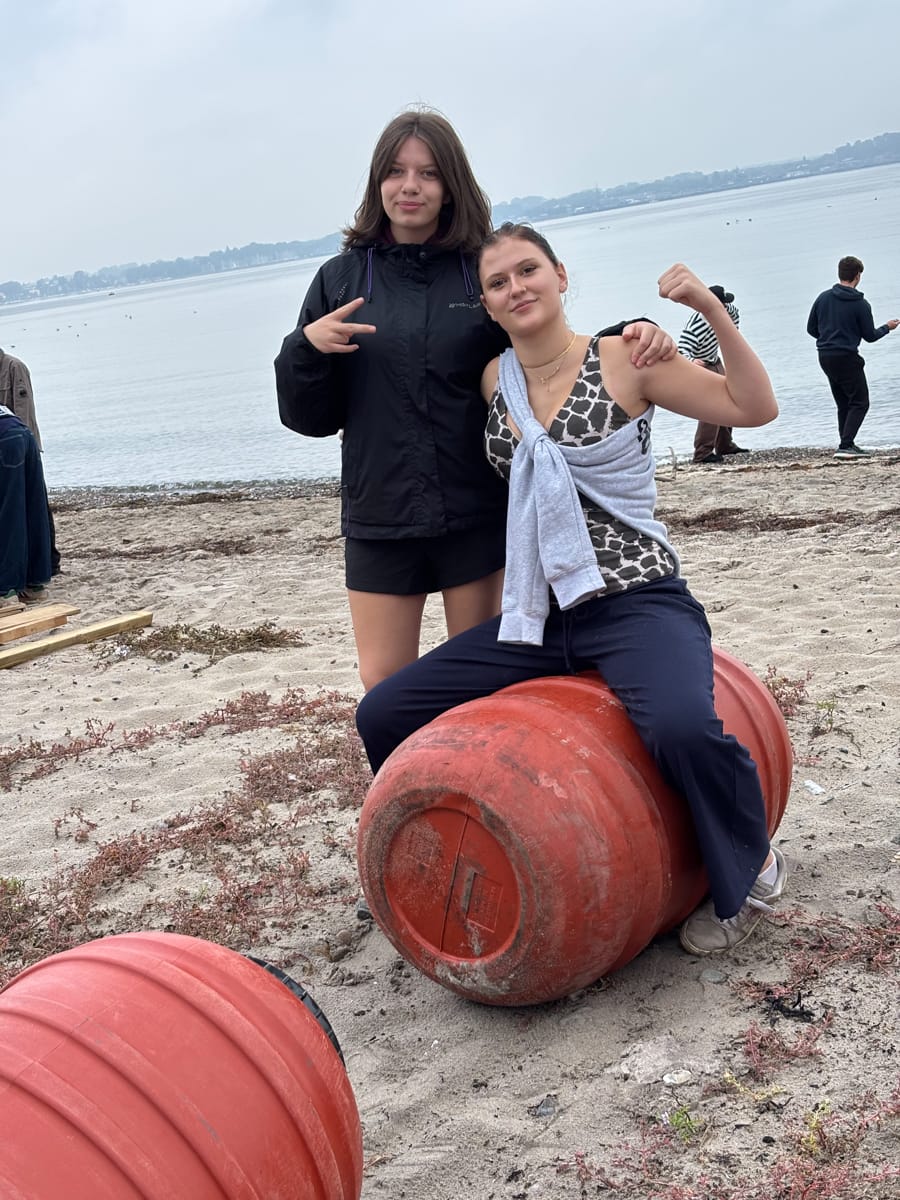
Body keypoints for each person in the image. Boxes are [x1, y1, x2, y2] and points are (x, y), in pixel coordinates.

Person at [356, 222, 785, 957]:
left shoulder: (627, 358)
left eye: (528, 270)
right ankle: (434, 849)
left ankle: (754, 868)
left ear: (559, 275)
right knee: (386, 710)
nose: (516, 288)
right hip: (541, 613)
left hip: (636, 598)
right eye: (497, 282)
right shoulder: (493, 381)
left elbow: (754, 408)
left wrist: (707, 310)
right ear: (486, 304)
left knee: (682, 727)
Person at [275, 109, 674, 691]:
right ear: (377, 182)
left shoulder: (477, 272)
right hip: (380, 514)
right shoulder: (340, 280)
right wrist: (304, 350)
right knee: (384, 682)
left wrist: (629, 333)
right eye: (395, 172)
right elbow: (310, 418)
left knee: (481, 681)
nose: (410, 187)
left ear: (450, 184)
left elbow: (546, 351)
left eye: (429, 173)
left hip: (476, 509)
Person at [806, 255, 899, 459]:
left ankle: (846, 444)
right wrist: (887, 327)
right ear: (857, 276)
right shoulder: (861, 304)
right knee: (860, 402)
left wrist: (828, 338)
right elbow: (870, 336)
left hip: (825, 356)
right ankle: (846, 445)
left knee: (843, 403)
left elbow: (811, 328)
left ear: (840, 274)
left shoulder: (823, 298)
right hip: (846, 357)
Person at [0, 346, 61, 574]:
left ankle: (50, 562)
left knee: (37, 503)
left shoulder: (14, 367)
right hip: (6, 446)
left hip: (20, 446)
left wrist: (24, 450)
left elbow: (24, 411)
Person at [677, 285, 749, 464]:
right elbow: (682, 348)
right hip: (701, 366)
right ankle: (702, 453)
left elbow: (734, 321)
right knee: (712, 408)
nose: (725, 307)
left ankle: (725, 444)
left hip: (715, 360)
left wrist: (731, 340)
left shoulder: (729, 310)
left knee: (730, 399)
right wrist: (692, 361)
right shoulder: (698, 323)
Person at [0, 404, 52, 607]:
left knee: (8, 514)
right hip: (23, 433)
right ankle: (35, 584)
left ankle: (6, 590)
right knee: (33, 510)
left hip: (5, 442)